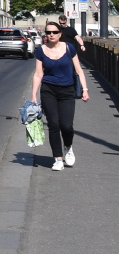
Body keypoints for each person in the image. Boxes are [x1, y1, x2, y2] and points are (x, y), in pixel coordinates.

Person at [32, 20, 90, 170]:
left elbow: (79, 70)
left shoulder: (69, 48)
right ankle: (57, 159)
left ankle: (68, 147)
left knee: (66, 125)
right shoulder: (41, 50)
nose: (51, 35)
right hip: (48, 90)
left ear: (60, 34)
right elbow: (38, 74)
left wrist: (85, 89)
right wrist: (34, 95)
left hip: (67, 91)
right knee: (53, 124)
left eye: (54, 32)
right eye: (48, 32)